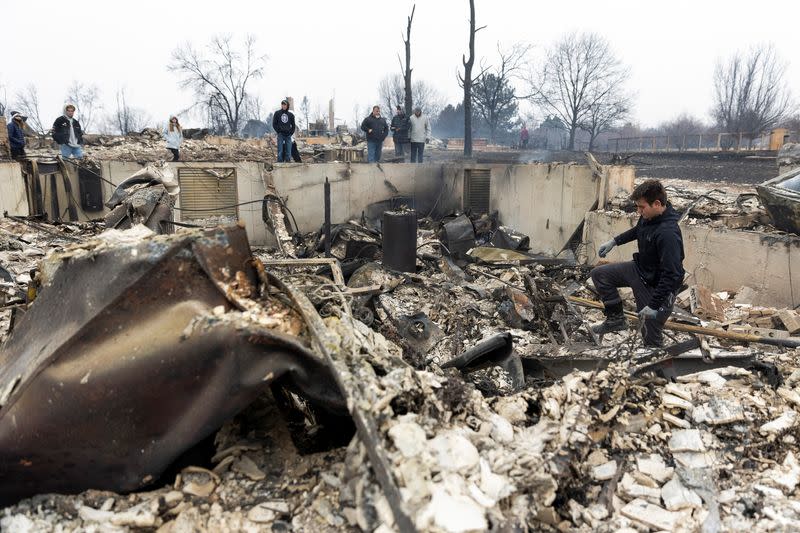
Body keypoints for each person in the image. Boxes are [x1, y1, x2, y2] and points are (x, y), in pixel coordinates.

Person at [590, 179, 685, 347]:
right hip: (640, 269)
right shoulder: (649, 216)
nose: (639, 212)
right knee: (600, 274)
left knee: (649, 333)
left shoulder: (668, 233)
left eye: (642, 207)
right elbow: (639, 230)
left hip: (656, 285)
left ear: (656, 203)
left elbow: (672, 274)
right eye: (637, 207)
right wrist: (615, 241)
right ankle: (616, 319)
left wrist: (654, 305)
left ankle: (656, 367)